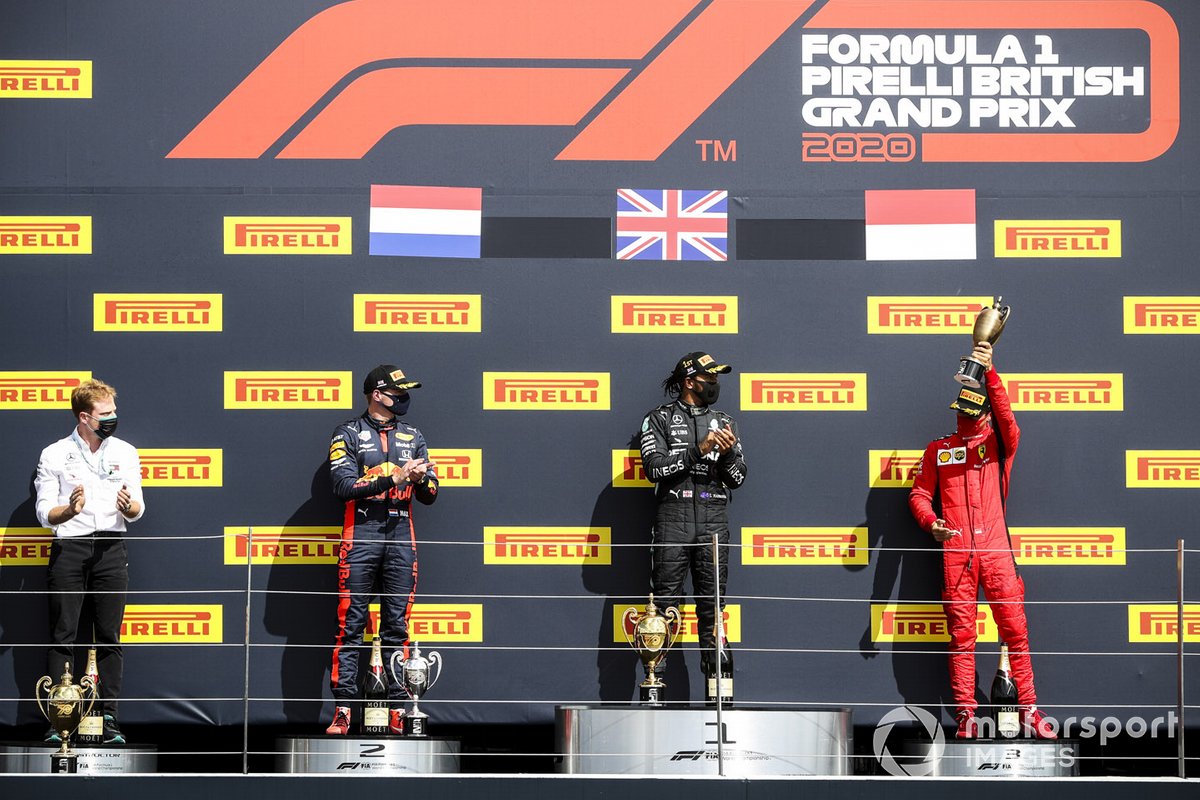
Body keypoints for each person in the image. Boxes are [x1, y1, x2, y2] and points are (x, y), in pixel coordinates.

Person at [908, 341, 1055, 739]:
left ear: (986, 413)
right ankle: (967, 718)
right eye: (961, 413)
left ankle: (1030, 711)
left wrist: (989, 371)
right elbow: (919, 494)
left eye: (973, 414)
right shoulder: (939, 450)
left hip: (996, 551)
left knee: (1016, 632)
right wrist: (931, 522)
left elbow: (1009, 419)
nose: (965, 420)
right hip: (956, 552)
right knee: (962, 636)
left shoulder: (999, 443)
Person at [325, 365, 438, 735]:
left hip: (402, 533)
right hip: (361, 532)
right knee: (350, 625)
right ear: (377, 393)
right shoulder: (348, 433)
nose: (405, 398)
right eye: (398, 391)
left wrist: (420, 481)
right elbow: (342, 486)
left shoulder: (413, 435)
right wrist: (394, 476)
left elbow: (432, 495)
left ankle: (398, 709)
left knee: (397, 627)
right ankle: (343, 708)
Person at [34, 378, 144, 745]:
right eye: (106, 413)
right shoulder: (54, 453)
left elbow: (138, 508)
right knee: (63, 634)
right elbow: (44, 512)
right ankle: (59, 718)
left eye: (114, 410)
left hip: (112, 547)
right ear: (85, 417)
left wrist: (131, 508)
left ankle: (108, 716)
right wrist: (70, 510)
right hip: (69, 546)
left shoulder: (125, 451)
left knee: (110, 636)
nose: (114, 417)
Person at [638, 352, 747, 696]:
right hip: (672, 518)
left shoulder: (725, 421)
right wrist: (699, 449)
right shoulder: (659, 419)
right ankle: (655, 687)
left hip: (713, 521)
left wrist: (727, 454)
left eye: (717, 379)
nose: (715, 384)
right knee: (665, 605)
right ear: (689, 382)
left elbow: (739, 478)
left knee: (713, 607)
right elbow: (654, 468)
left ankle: (719, 694)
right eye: (710, 378)